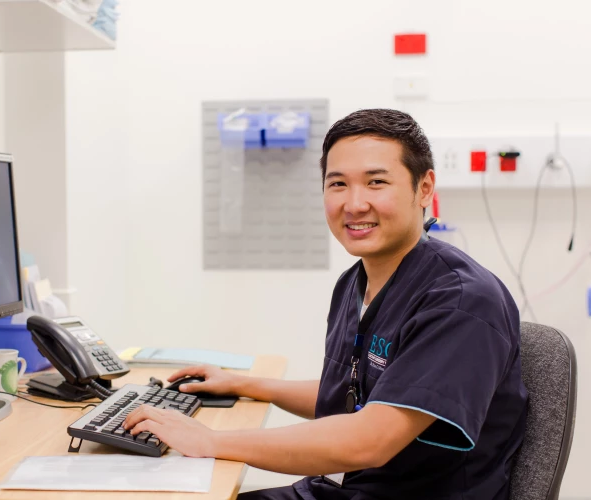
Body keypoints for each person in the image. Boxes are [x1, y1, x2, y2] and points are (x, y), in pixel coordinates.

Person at [123, 109, 528, 500]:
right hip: (337, 489)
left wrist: (209, 440)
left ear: (424, 188)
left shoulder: (460, 301)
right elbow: (363, 393)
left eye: (376, 182)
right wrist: (244, 384)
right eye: (337, 184)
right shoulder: (356, 282)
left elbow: (372, 438)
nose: (354, 204)